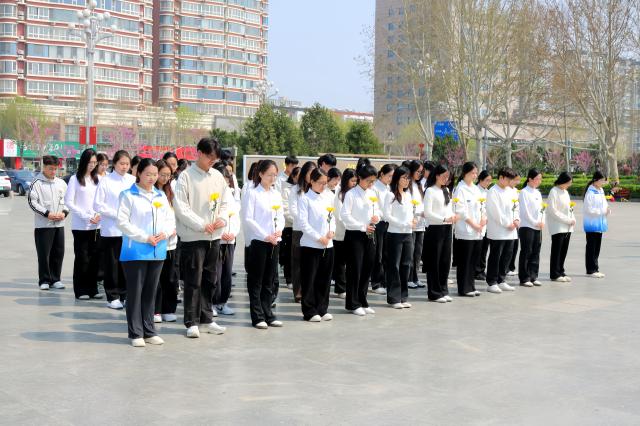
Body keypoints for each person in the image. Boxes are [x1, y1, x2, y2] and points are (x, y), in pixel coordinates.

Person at [173, 138, 228, 338]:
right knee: (193, 280)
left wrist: (222, 218)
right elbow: (181, 207)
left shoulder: (218, 176)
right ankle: (191, 321)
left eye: (215, 158)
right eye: (209, 157)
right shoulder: (186, 176)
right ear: (199, 153)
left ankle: (206, 319)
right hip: (194, 237)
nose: (212, 161)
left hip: (214, 236)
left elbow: (226, 202)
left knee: (210, 279)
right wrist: (201, 224)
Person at [117, 158, 175, 347]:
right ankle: (136, 333)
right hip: (135, 251)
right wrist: (144, 237)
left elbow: (170, 219)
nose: (152, 178)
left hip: (157, 250)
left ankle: (149, 331)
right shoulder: (128, 195)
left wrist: (165, 233)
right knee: (135, 292)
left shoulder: (160, 195)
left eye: (155, 174)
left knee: (151, 292)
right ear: (138, 173)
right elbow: (122, 222)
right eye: (148, 174)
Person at [241, 159, 285, 329]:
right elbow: (248, 218)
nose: (272, 178)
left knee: (269, 279)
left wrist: (279, 230)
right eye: (269, 175)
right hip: (259, 241)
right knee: (256, 280)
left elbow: (280, 215)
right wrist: (265, 235)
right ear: (260, 174)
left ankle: (268, 314)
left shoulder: (276, 194)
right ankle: (257, 316)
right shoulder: (252, 193)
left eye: (275, 175)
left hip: (275, 241)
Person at [93, 150, 136, 308]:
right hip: (111, 229)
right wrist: (117, 214)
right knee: (112, 264)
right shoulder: (106, 181)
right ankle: (112, 296)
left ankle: (125, 294)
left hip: (128, 231)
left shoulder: (133, 180)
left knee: (126, 264)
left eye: (127, 164)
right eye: (121, 163)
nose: (124, 167)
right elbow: (97, 204)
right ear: (115, 164)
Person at [340, 163, 380, 316]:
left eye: (373, 181)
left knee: (367, 267)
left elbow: (378, 211)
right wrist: (362, 226)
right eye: (368, 181)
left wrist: (376, 218)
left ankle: (363, 300)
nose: (371, 184)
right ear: (360, 178)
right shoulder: (351, 194)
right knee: (355, 269)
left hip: (370, 234)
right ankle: (352, 303)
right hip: (355, 235)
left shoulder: (372, 193)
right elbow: (345, 216)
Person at [64, 148, 103, 300]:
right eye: (90, 162)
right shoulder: (75, 179)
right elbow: (69, 201)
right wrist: (86, 216)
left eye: (95, 162)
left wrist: (98, 215)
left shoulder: (98, 179)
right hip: (80, 226)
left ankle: (93, 289)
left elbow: (103, 201)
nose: (93, 165)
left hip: (97, 225)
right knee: (82, 258)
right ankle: (81, 290)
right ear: (84, 162)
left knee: (95, 258)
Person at [299, 169, 336, 322]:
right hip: (311, 245)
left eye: (325, 183)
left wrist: (332, 231)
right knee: (309, 279)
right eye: (320, 183)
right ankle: (309, 310)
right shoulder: (305, 199)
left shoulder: (327, 198)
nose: (323, 186)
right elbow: (303, 223)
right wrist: (318, 237)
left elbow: (332, 218)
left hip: (328, 245)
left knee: (324, 278)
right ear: (312, 181)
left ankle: (322, 308)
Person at [28, 155, 69, 291]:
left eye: (55, 169)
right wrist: (47, 214)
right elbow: (32, 202)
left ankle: (56, 279)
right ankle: (44, 280)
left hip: (59, 224)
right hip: (43, 225)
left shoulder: (61, 183)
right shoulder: (37, 183)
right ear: (44, 167)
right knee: (44, 254)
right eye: (50, 168)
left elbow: (68, 201)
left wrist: (64, 213)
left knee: (58, 252)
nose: (53, 171)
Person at [423, 164, 458, 303]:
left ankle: (443, 290)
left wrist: (453, 217)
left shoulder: (446, 190)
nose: (446, 179)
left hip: (447, 228)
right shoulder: (430, 191)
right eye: (444, 176)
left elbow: (448, 209)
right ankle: (434, 292)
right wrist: (444, 219)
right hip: (435, 229)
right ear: (437, 175)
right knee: (434, 261)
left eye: (448, 177)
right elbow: (428, 213)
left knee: (445, 260)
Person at [383, 166, 415, 309]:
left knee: (406, 264)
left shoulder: (408, 195)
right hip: (395, 234)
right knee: (394, 266)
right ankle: (394, 298)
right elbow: (387, 215)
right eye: (404, 178)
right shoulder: (390, 195)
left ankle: (403, 296)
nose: (407, 180)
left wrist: (413, 221)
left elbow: (409, 214)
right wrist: (403, 224)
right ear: (397, 178)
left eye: (408, 178)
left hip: (408, 234)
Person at [452, 162, 485, 297]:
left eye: (476, 173)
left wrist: (483, 220)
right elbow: (461, 211)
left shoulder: (476, 189)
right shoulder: (460, 189)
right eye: (473, 173)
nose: (475, 175)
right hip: (466, 230)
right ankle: (463, 288)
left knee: (473, 261)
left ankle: (471, 286)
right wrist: (474, 225)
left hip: (478, 230)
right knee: (465, 261)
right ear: (465, 173)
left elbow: (482, 206)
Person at [485, 168, 519, 294]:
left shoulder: (511, 191)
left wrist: (516, 219)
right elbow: (495, 212)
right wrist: (507, 223)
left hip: (511, 230)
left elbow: (516, 207)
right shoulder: (493, 191)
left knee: (507, 255)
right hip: (498, 230)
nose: (510, 182)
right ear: (501, 177)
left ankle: (501, 279)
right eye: (508, 179)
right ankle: (492, 282)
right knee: (496, 256)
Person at [153, 160, 179, 323]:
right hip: (157, 240)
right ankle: (155, 309)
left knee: (170, 277)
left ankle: (168, 308)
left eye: (168, 175)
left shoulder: (170, 192)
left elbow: (175, 214)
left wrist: (174, 229)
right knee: (156, 278)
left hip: (171, 241)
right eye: (162, 174)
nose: (165, 178)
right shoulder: (151, 192)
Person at [213, 162, 239, 316]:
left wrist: (233, 232)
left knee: (226, 273)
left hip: (229, 240)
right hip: (216, 238)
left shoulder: (231, 195)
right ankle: (212, 303)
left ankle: (223, 302)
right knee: (214, 273)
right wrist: (221, 233)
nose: (225, 183)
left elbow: (235, 217)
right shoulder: (211, 194)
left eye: (227, 179)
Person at [289, 161, 317, 302]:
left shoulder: (316, 189)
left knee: (311, 262)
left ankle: (310, 290)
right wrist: (305, 220)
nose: (311, 176)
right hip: (299, 229)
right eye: (309, 173)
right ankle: (298, 291)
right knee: (298, 262)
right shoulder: (296, 189)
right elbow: (293, 209)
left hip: (314, 230)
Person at [518, 169, 545, 287]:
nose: (539, 181)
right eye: (537, 179)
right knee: (526, 251)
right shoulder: (524, 192)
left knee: (536, 251)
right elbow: (525, 211)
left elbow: (542, 209)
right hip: (527, 226)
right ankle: (524, 277)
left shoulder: (537, 193)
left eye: (540, 179)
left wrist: (542, 221)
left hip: (538, 226)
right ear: (530, 179)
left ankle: (533, 276)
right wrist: (535, 222)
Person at [370, 164, 395, 295]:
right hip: (379, 223)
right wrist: (385, 215)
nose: (390, 178)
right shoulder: (375, 188)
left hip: (388, 223)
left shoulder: (388, 187)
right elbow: (376, 207)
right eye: (389, 176)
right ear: (382, 174)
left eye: (392, 176)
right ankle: (376, 283)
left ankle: (384, 281)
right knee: (378, 254)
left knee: (386, 253)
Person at [547, 172, 576, 282]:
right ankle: (554, 274)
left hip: (567, 226)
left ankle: (560, 271)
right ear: (562, 181)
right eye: (568, 183)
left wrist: (572, 218)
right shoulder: (553, 192)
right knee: (557, 250)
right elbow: (553, 211)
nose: (569, 185)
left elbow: (569, 208)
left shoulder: (566, 192)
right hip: (557, 226)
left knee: (564, 250)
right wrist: (567, 220)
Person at [332, 168, 357, 299]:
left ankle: (347, 286)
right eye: (352, 181)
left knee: (350, 262)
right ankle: (340, 288)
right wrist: (352, 225)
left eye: (356, 181)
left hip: (353, 231)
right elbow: (339, 215)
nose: (354, 183)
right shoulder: (340, 194)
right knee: (340, 262)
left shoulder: (355, 194)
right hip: (341, 233)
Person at [583, 171, 610, 278]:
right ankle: (591, 270)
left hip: (600, 223)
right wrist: (601, 212)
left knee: (597, 247)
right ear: (596, 180)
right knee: (591, 247)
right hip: (591, 223)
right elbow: (588, 209)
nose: (603, 182)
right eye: (602, 180)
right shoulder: (590, 192)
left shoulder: (601, 190)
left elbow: (604, 203)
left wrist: (607, 210)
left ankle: (595, 268)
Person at [280, 166, 300, 288]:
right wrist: (297, 221)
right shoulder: (286, 189)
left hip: (301, 227)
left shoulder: (304, 189)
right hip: (290, 226)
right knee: (289, 253)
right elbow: (286, 210)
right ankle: (289, 278)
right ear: (293, 176)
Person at [408, 160, 426, 289]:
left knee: (417, 253)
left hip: (421, 224)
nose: (420, 174)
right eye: (418, 171)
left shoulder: (419, 186)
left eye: (421, 172)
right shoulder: (408, 185)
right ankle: (408, 278)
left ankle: (415, 277)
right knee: (410, 252)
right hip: (411, 223)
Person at [474, 170, 492, 281]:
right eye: (487, 180)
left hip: (487, 223)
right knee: (478, 248)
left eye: (490, 181)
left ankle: (481, 269)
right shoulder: (475, 191)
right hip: (478, 223)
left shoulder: (488, 192)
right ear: (480, 180)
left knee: (484, 248)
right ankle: (476, 270)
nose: (488, 183)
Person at [507, 171, 522, 276]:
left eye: (518, 180)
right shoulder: (506, 190)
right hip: (508, 223)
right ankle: (506, 267)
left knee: (515, 245)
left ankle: (511, 267)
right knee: (508, 247)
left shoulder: (517, 191)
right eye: (516, 180)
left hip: (516, 222)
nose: (517, 182)